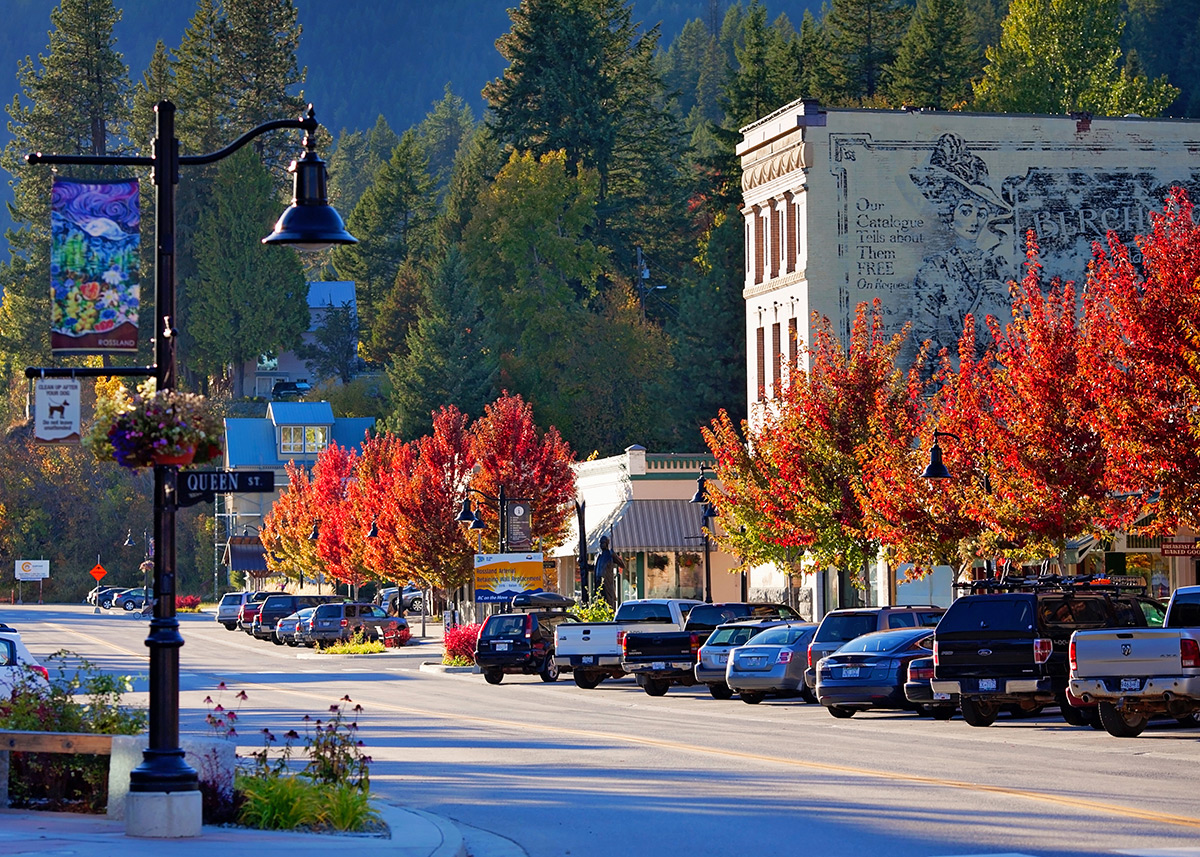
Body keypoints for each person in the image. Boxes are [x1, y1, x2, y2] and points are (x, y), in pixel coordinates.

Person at [909, 133, 1013, 362]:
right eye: (966, 211)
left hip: (1002, 379)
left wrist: (1008, 295)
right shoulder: (935, 269)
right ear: (951, 214)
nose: (974, 221)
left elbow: (1025, 323)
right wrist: (953, 366)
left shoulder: (997, 265)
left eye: (981, 213)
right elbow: (924, 332)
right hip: (955, 379)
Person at [593, 535, 626, 604]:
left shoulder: (610, 554)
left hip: (607, 583)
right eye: (600, 543)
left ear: (607, 543)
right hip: (598, 583)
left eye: (603, 543)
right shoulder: (598, 556)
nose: (601, 545)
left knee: (609, 602)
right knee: (599, 602)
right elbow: (593, 568)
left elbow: (622, 565)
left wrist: (615, 555)